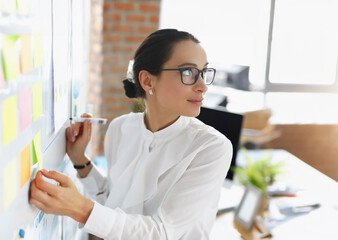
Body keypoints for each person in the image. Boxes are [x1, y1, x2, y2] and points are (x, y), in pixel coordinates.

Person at [29, 29, 232, 239]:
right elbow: (114, 199)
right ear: (147, 81)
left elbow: (162, 233)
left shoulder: (211, 147)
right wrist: (80, 160)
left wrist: (80, 208)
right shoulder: (121, 128)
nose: (202, 87)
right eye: (188, 73)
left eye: (204, 72)